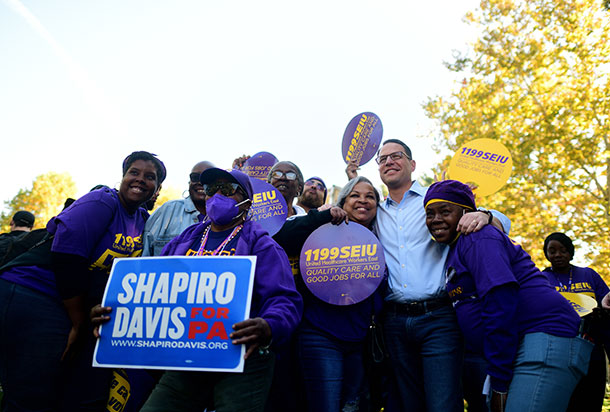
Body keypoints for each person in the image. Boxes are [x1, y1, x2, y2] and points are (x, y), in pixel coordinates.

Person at [0, 151, 165, 412]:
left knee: (49, 389)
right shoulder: (103, 200)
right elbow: (67, 257)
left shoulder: (144, 222)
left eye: (150, 177)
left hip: (62, 301)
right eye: (134, 172)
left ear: (157, 188)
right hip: (31, 290)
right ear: (122, 177)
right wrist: (79, 322)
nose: (140, 179)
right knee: (32, 394)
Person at [131, 168, 303, 412]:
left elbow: (285, 300)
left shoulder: (263, 245)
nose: (217, 194)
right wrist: (115, 311)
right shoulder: (183, 241)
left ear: (247, 202)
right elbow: (149, 290)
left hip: (242, 356)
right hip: (187, 357)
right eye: (212, 189)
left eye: (228, 189)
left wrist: (268, 326)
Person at [424, 180, 593, 412]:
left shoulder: (478, 238)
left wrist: (499, 379)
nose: (435, 219)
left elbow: (500, 301)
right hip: (522, 347)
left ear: (466, 213)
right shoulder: (457, 246)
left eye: (445, 211)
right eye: (429, 213)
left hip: (545, 338)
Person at [371, 139, 498, 412]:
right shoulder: (374, 212)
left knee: (443, 403)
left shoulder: (436, 197)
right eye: (382, 159)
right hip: (394, 322)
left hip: (439, 318)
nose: (389, 162)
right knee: (409, 405)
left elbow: (499, 219)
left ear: (413, 164)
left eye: (397, 156)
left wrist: (485, 215)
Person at [275, 176, 383, 411]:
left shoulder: (383, 236)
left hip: (362, 340)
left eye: (370, 196)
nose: (362, 201)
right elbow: (280, 237)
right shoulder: (322, 229)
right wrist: (321, 216)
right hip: (320, 335)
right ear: (342, 203)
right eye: (355, 195)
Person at [542, 232, 610, 412]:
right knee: (564, 400)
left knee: (591, 397)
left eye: (563, 250)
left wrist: (601, 312)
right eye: (552, 251)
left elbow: (607, 302)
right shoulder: (541, 279)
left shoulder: (589, 274)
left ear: (571, 253)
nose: (557, 255)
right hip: (557, 346)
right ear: (546, 254)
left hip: (592, 346)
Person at [142, 160, 215, 256]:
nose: (200, 182)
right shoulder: (167, 211)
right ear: (189, 182)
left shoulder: (225, 219)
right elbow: (144, 256)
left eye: (208, 178)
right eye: (195, 177)